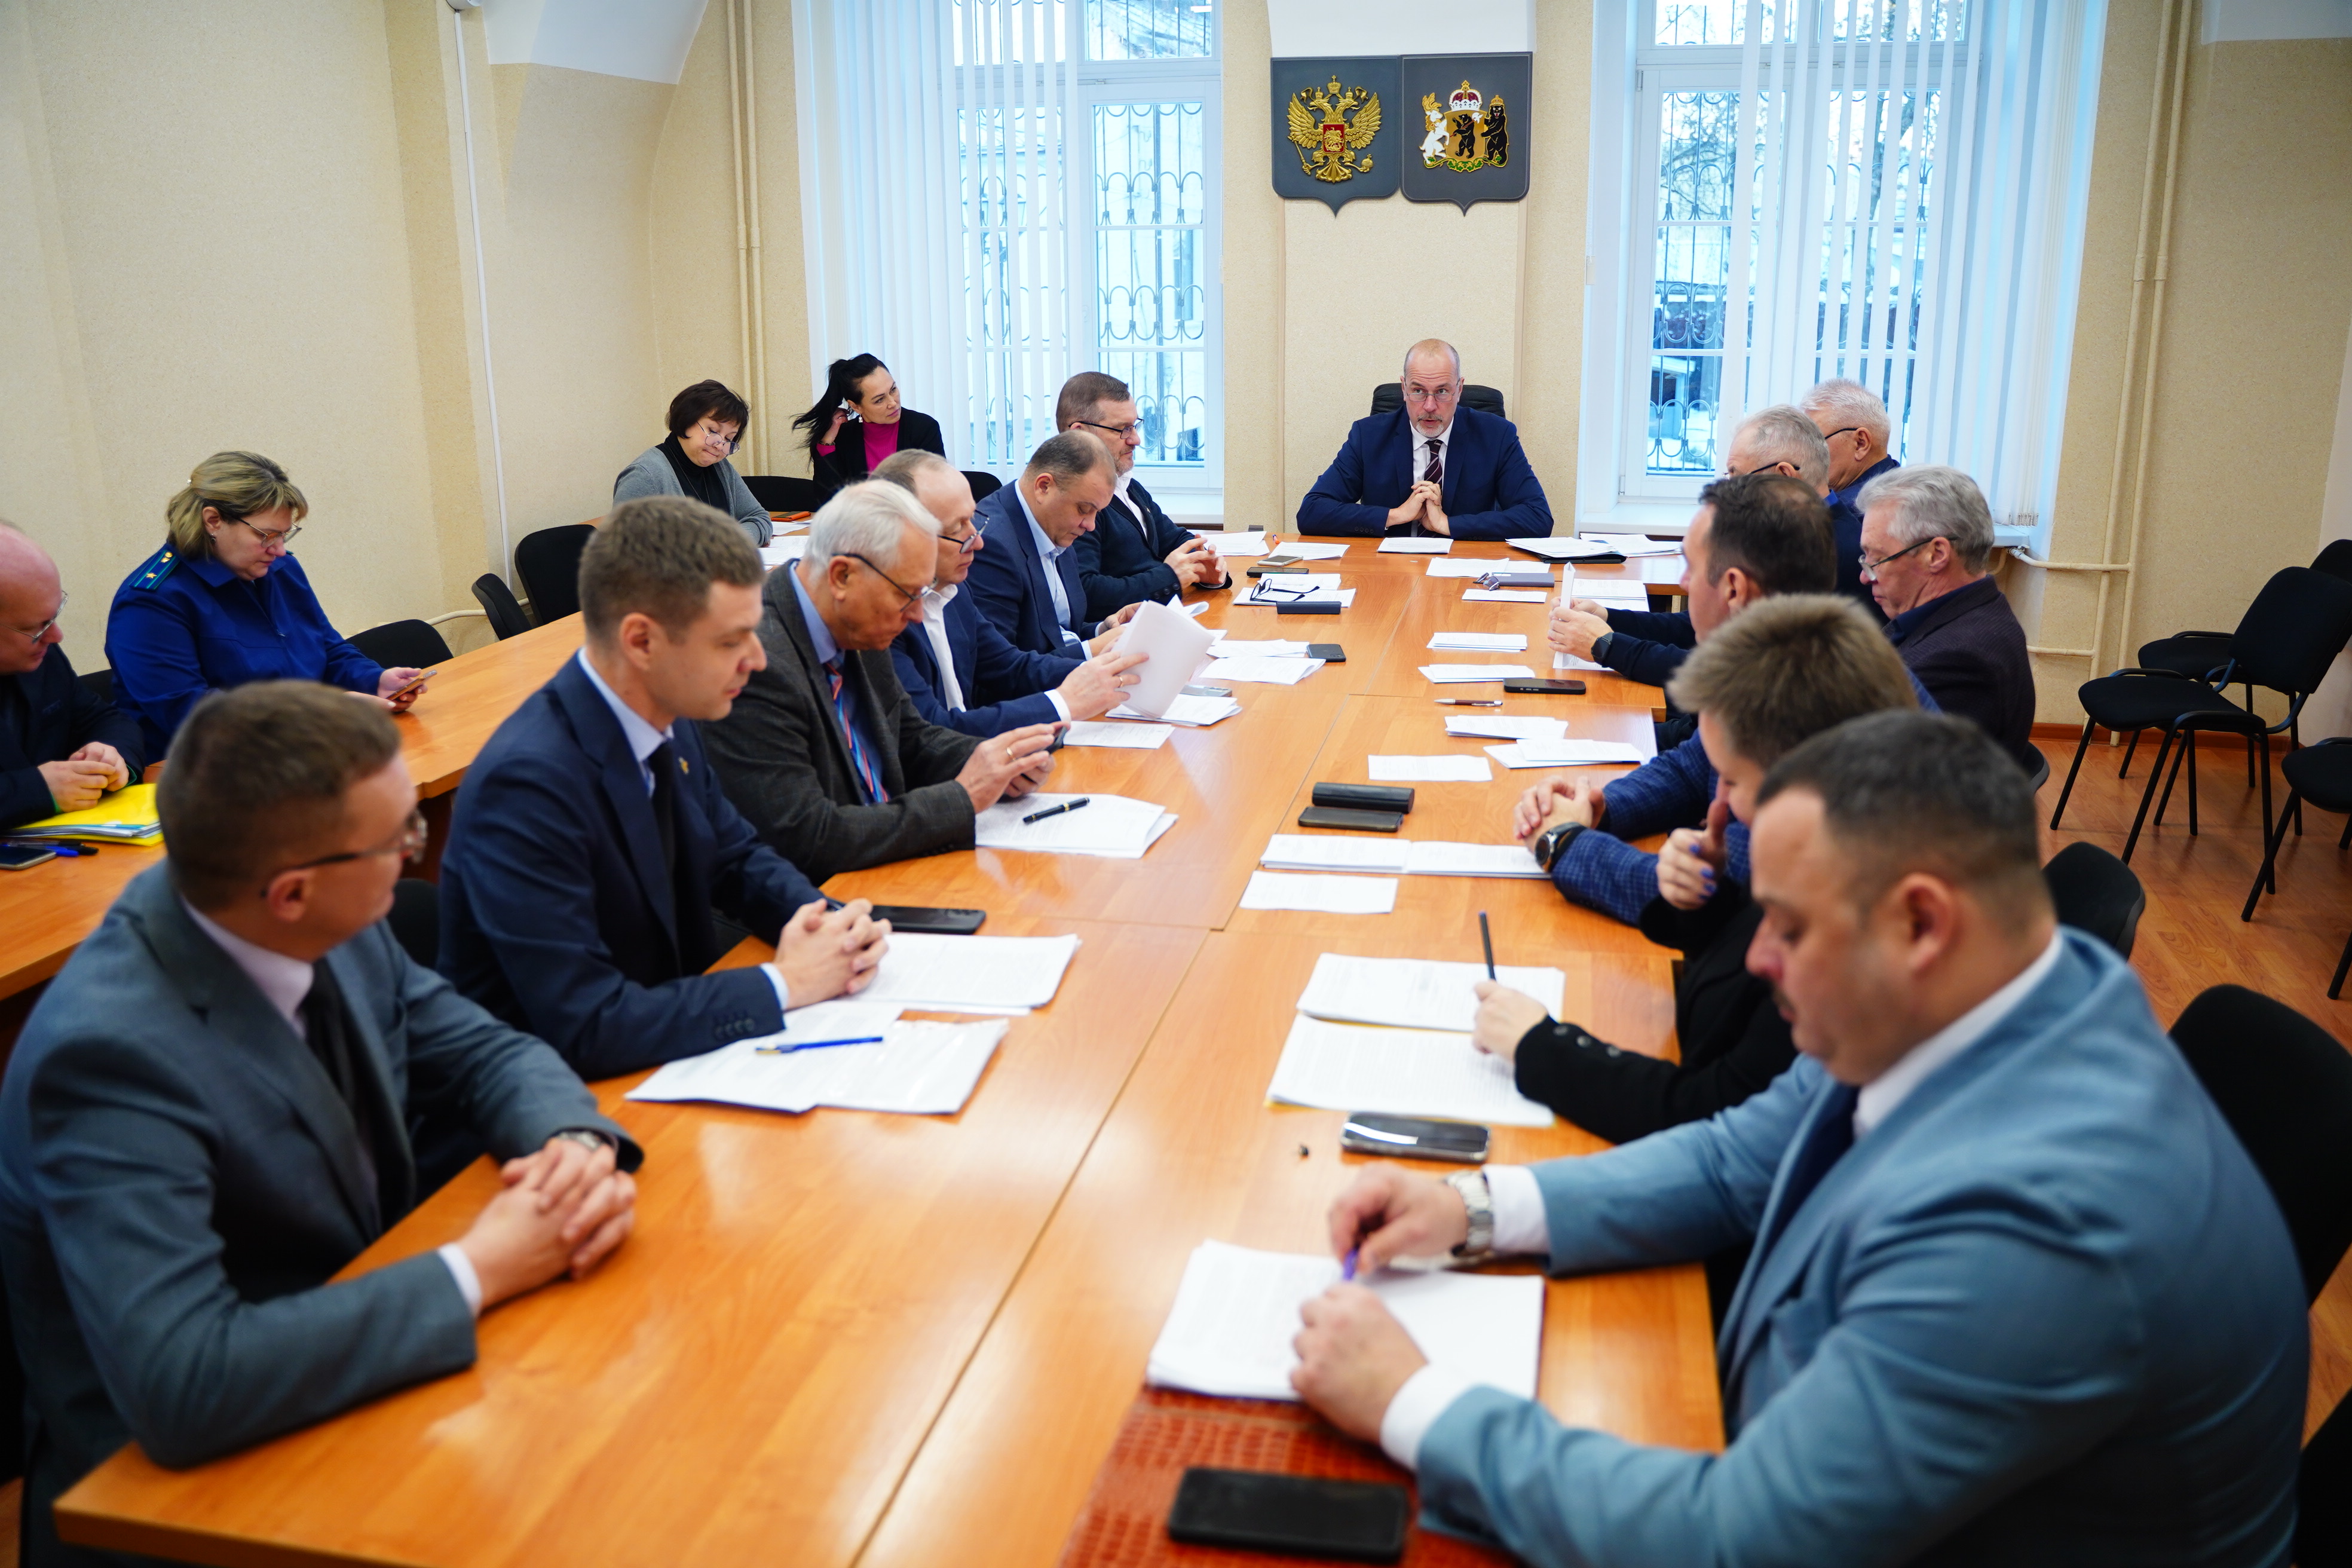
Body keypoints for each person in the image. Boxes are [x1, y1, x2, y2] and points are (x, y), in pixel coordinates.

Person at [1294, 713, 2306, 1566]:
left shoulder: (2041, 1233)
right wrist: (1475, 1208)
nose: (1758, 960)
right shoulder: (1972, 989)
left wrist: (1412, 1401)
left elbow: (1736, 1541)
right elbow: (1734, 1159)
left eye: (1785, 923)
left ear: (1920, 922)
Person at [0, 682, 641, 1568]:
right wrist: (482, 1265)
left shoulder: (315, 918)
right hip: (185, 1503)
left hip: (351, 1360)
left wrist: (570, 1144)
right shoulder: (108, 1058)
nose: (417, 857)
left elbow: (487, 1052)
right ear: (293, 893)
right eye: (400, 839)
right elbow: (186, 1381)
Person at [1474, 597, 1918, 1316]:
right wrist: (1705, 903)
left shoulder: (1856, 943)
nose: (1723, 808)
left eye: (1733, 782)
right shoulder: (1847, 852)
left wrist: (1541, 1045)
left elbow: (1710, 1112)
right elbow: (1734, 1140)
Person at [437, 497, 888, 1080]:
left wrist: (825, 924)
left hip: (668, 1054)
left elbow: (735, 857)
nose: (757, 659)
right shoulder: (526, 786)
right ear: (642, 642)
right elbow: (587, 1024)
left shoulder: (668, 714)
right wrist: (787, 983)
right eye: (731, 641)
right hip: (557, 1103)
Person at [1514, 473, 1842, 926]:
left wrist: (1564, 843)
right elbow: (1692, 770)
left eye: (1690, 566)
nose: (1683, 583)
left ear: (1733, 589)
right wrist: (1601, 807)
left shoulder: (1805, 704)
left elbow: (1718, 902)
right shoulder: (1779, 653)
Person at [705, 481, 1070, 882]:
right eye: (909, 595)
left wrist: (997, 761)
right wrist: (962, 798)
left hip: (889, 866)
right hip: (828, 895)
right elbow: (809, 837)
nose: (917, 616)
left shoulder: (859, 618)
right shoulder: (756, 663)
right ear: (842, 576)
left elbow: (910, 737)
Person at [105, 451, 423, 759]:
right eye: (267, 535)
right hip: (209, 771)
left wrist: (374, 680)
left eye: (284, 535)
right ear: (213, 521)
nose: (279, 550)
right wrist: (323, 713)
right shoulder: (151, 601)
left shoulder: (280, 570)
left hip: (305, 750)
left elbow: (327, 648)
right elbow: (193, 714)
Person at [1546, 406, 1837, 685]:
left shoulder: (1829, 553)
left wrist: (1607, 645)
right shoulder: (1789, 533)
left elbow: (1730, 676)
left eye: (1736, 476)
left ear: (1784, 477)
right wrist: (1609, 619)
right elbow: (1698, 624)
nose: (1729, 489)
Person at [875, 451, 1146, 739]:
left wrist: (1100, 670)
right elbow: (932, 733)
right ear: (906, 537)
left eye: (973, 521)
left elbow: (1009, 666)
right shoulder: (882, 619)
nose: (977, 542)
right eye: (958, 528)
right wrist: (1064, 702)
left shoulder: (953, 589)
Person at [1857, 465, 2038, 774]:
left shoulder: (1958, 661)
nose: (1865, 577)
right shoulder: (1973, 612)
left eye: (1878, 559)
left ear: (1937, 554)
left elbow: (1880, 777)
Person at [1296, 339, 1552, 540]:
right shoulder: (1369, 436)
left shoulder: (1496, 436)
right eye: (1418, 391)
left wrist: (1448, 524)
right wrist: (1395, 515)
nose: (1430, 406)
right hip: (1388, 571)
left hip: (1464, 570)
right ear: (1403, 389)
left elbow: (1537, 518)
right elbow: (1312, 512)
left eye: (1442, 391)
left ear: (1459, 389)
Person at [0, 523, 142, 828]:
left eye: (54, 616)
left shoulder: (41, 654)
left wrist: (111, 756)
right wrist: (37, 791)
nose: (56, 636)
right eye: (34, 628)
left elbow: (103, 718)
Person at [1058, 370, 1227, 617]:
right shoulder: (1074, 501)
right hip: (1121, 630)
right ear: (1080, 432)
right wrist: (1169, 577)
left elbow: (1174, 539)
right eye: (1123, 429)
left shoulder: (1128, 485)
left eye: (1135, 426)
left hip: (1166, 613)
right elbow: (1087, 592)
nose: (1136, 440)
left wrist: (1207, 564)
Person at [967, 431, 1120, 656]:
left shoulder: (1055, 524)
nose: (1090, 525)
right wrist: (1091, 651)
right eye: (1084, 509)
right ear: (1044, 487)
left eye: (1097, 512)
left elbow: (1058, 633)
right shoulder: (990, 544)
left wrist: (1102, 631)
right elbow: (1000, 665)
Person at [613, 379, 775, 546]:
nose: (720, 445)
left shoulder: (721, 468)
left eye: (729, 439)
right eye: (713, 431)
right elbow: (625, 550)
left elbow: (758, 518)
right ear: (686, 420)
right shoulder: (645, 476)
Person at [1802, 376, 1901, 616]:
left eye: (1815, 444)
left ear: (1860, 443)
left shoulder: (1856, 515)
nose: (1803, 456)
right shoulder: (1898, 478)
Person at [793, 354, 946, 495]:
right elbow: (827, 499)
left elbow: (937, 491)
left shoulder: (924, 428)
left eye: (893, 390)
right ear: (856, 406)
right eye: (880, 400)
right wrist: (827, 442)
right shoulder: (845, 436)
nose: (893, 403)